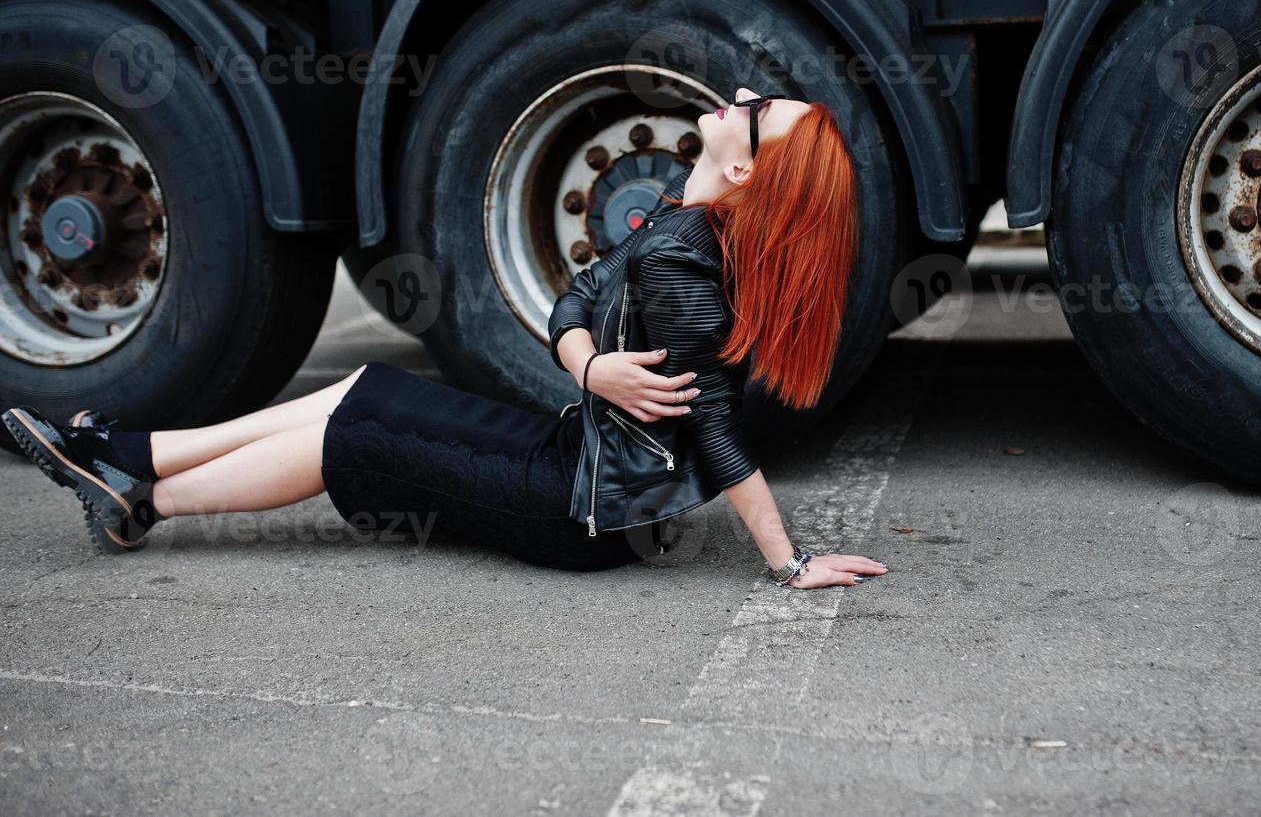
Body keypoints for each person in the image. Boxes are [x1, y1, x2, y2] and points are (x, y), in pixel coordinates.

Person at [3, 87, 888, 589]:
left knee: (354, 439)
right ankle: (132, 454)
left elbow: (719, 425)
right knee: (365, 389)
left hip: (572, 514)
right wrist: (592, 367)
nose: (739, 96)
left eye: (757, 108)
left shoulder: (688, 262)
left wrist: (790, 561)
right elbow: (574, 298)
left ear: (742, 168)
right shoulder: (668, 217)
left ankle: (141, 497)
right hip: (564, 452)